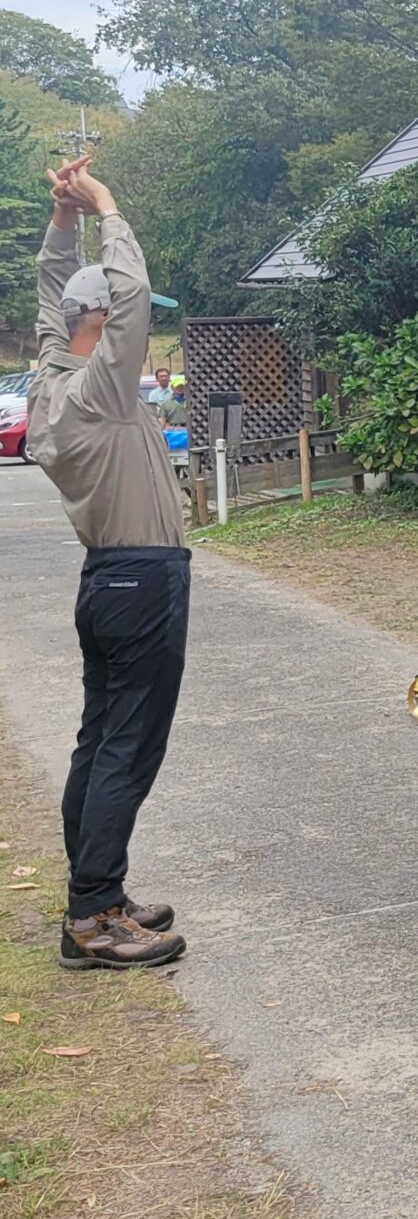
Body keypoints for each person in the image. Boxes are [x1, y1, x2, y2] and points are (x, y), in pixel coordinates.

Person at [27, 158, 189, 970]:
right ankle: (92, 915)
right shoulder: (99, 388)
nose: (143, 335)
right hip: (143, 578)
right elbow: (132, 293)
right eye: (128, 325)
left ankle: (98, 891)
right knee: (130, 746)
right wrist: (107, 208)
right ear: (101, 321)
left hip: (106, 580)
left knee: (99, 742)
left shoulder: (51, 381)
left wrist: (64, 222)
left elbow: (51, 297)